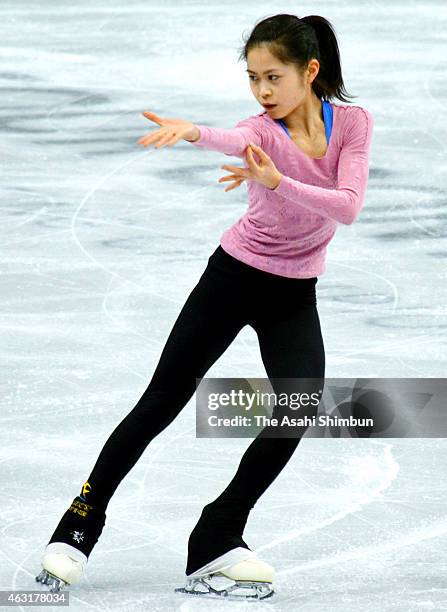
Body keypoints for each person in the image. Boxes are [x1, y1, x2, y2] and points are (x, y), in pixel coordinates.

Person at [36, 12, 374, 600]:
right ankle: (79, 524)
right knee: (164, 397)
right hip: (234, 277)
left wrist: (276, 183)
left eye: (273, 77)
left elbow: (346, 207)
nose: (262, 92)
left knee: (299, 407)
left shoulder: (352, 124)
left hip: (294, 292)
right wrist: (193, 132)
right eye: (252, 79)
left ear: (310, 71)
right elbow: (231, 136)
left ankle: (217, 535)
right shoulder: (261, 132)